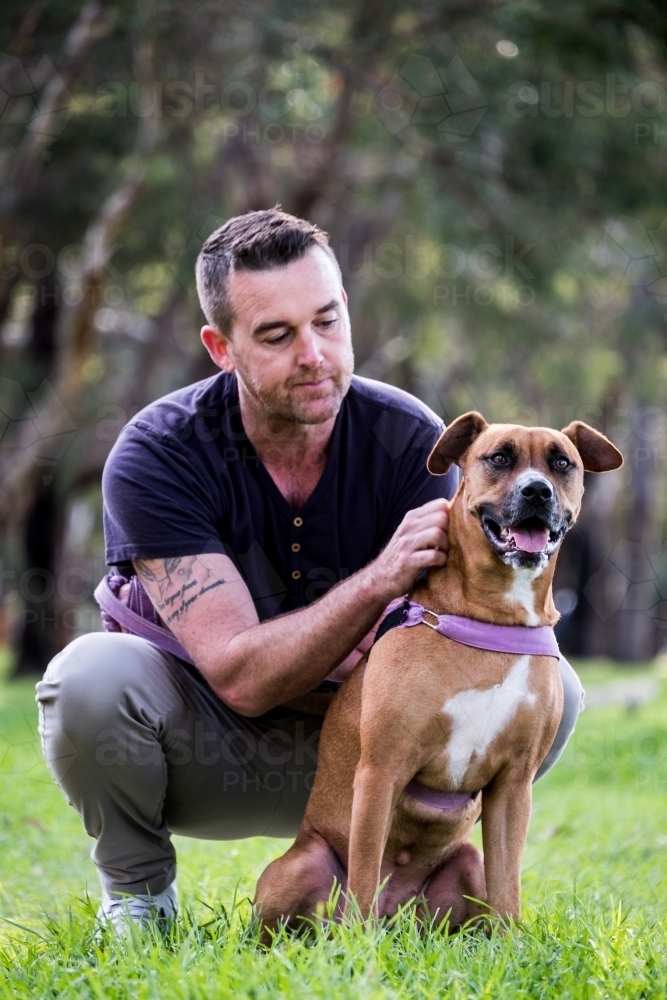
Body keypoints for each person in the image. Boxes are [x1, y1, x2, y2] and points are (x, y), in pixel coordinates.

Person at [36, 208, 584, 930]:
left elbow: (454, 628)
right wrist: (380, 581)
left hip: (373, 749)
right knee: (89, 679)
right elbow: (239, 675)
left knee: (553, 688)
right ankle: (139, 900)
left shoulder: (407, 439)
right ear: (219, 347)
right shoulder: (158, 454)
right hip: (209, 751)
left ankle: (410, 883)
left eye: (327, 322)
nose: (314, 354)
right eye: (276, 334)